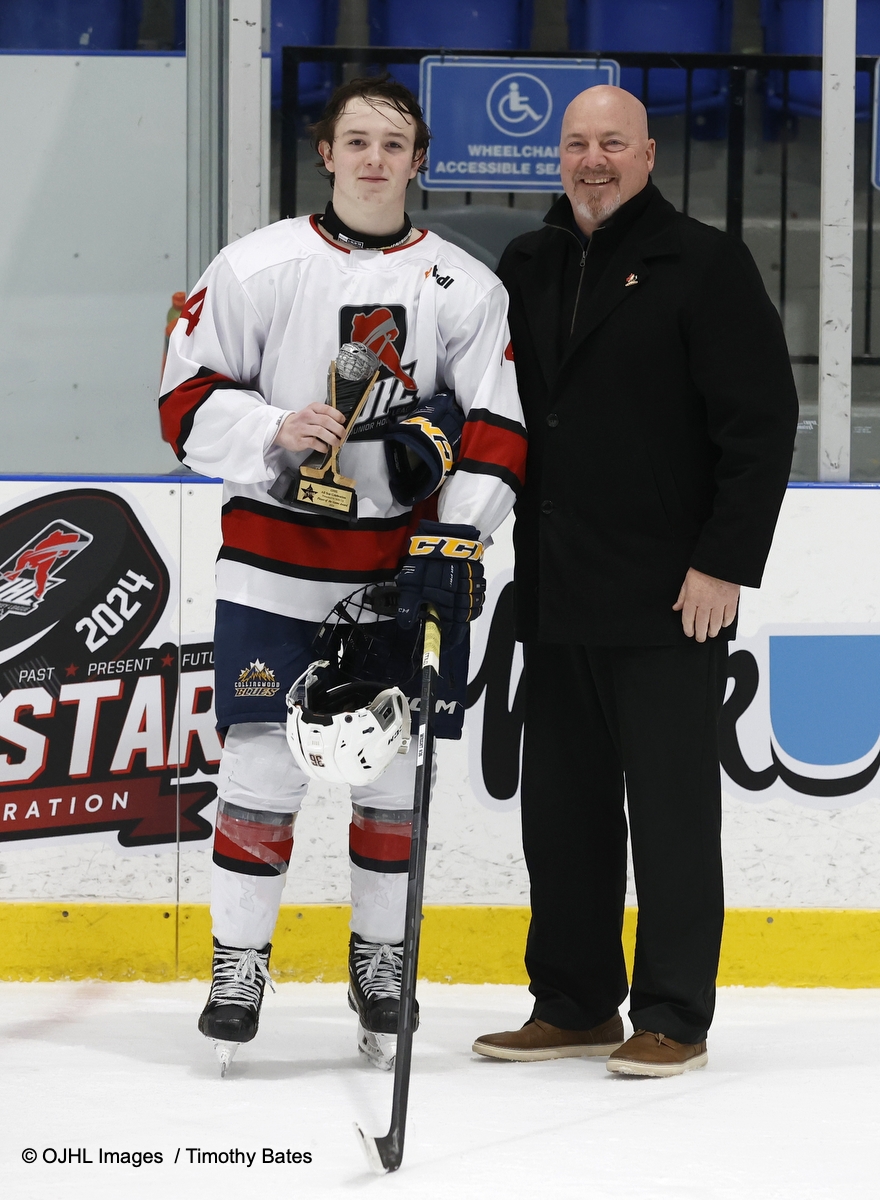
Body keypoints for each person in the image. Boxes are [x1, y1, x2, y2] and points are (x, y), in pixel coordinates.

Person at [159, 75, 527, 1072]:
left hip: (391, 574)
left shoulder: (465, 286)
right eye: (355, 140)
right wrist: (273, 427)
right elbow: (183, 400)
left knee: (389, 772)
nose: (373, 158)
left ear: (419, 159)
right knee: (259, 768)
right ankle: (236, 967)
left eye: (393, 143)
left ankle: (380, 962)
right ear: (324, 152)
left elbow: (496, 426)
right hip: (273, 563)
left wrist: (455, 535)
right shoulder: (253, 266)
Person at [473, 86, 798, 1076]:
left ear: (649, 153)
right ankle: (572, 1002)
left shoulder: (702, 263)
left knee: (668, 815)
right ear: (556, 158)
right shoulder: (526, 263)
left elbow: (760, 425)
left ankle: (672, 1015)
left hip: (671, 594)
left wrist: (722, 563)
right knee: (560, 813)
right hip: (558, 587)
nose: (592, 159)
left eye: (612, 142)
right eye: (576, 144)